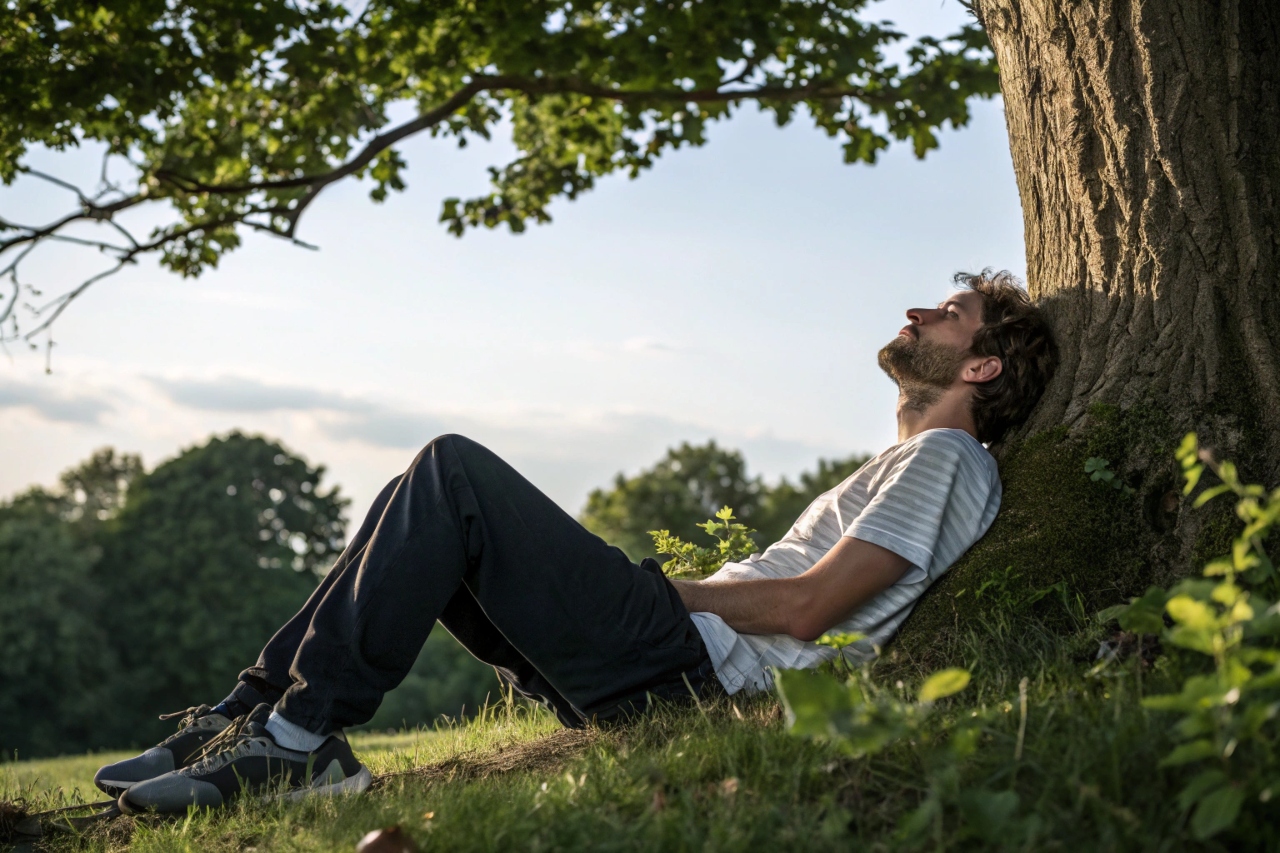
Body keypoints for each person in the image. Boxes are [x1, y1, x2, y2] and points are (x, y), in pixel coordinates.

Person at [95, 270, 1057, 813]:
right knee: (423, 498)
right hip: (677, 662)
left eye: (949, 314)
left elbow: (813, 604)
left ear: (980, 362)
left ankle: (299, 740)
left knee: (453, 472)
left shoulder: (949, 461)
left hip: (699, 668)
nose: (916, 312)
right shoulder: (911, 464)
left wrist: (664, 592)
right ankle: (249, 722)